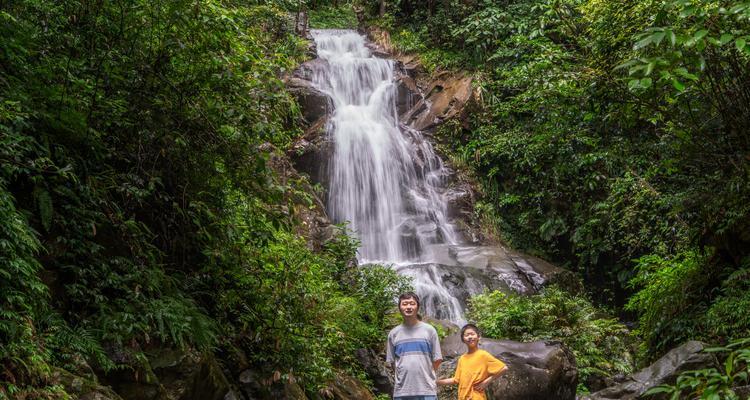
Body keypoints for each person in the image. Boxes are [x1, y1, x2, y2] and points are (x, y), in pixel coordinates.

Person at [386, 292, 443, 400]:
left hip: (427, 391)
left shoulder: (429, 330)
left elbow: (437, 359)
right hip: (402, 392)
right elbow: (393, 363)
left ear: (418, 307)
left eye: (412, 303)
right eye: (405, 304)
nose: (408, 307)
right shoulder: (393, 334)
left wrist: (426, 373)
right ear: (399, 308)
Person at [437, 324, 508, 400]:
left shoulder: (483, 355)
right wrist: (436, 382)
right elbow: (456, 380)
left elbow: (504, 368)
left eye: (472, 334)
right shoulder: (462, 358)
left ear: (478, 337)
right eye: (467, 335)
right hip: (462, 397)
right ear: (463, 339)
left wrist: (486, 382)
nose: (470, 337)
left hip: (476, 396)